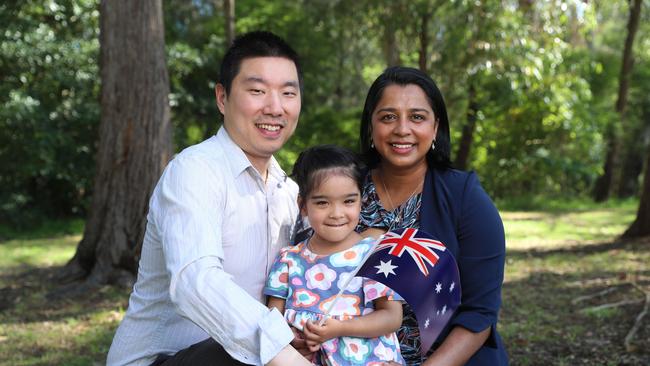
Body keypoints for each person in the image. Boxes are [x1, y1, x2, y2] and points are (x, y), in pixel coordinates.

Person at [106, 31, 311, 366]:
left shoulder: (288, 191)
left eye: (288, 93)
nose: (275, 107)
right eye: (257, 91)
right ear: (222, 97)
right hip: (163, 360)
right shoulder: (194, 172)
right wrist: (281, 350)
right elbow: (195, 281)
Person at [356, 66, 508, 365]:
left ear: (435, 127)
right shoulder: (342, 189)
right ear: (371, 127)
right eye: (388, 117)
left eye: (417, 117)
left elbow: (480, 312)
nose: (402, 129)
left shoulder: (465, 197)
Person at [264, 145, 405, 365]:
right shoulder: (288, 260)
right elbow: (273, 319)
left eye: (348, 201)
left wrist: (339, 328)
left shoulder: (374, 255)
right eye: (322, 202)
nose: (336, 213)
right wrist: (291, 340)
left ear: (361, 201)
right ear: (303, 205)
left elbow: (391, 317)